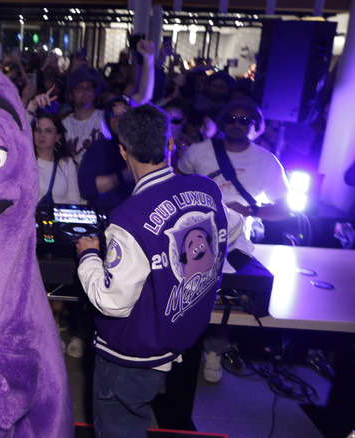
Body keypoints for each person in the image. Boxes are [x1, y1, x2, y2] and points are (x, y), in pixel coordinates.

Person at [75, 104, 229, 438]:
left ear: (122, 151)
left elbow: (112, 302)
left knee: (120, 427)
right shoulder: (208, 189)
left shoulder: (127, 218)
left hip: (131, 355)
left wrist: (88, 256)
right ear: (171, 144)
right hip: (178, 336)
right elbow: (234, 228)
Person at [177, 96, 291, 383]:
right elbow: (178, 181)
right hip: (193, 237)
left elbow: (283, 210)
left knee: (223, 297)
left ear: (256, 126)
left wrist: (251, 209)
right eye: (231, 118)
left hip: (237, 244)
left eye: (245, 120)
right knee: (185, 292)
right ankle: (178, 346)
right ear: (222, 121)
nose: (237, 125)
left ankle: (214, 350)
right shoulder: (199, 151)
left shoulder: (267, 162)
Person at [78, 95, 136, 209]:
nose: (117, 119)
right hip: (104, 217)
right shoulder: (98, 148)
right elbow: (86, 188)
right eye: (113, 114)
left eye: (124, 114)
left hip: (136, 217)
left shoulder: (142, 149)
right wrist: (122, 176)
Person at [32, 111, 81, 204]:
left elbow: (74, 199)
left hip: (60, 216)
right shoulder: (26, 160)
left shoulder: (66, 162)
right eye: (38, 130)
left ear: (57, 137)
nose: (42, 135)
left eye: (48, 131)